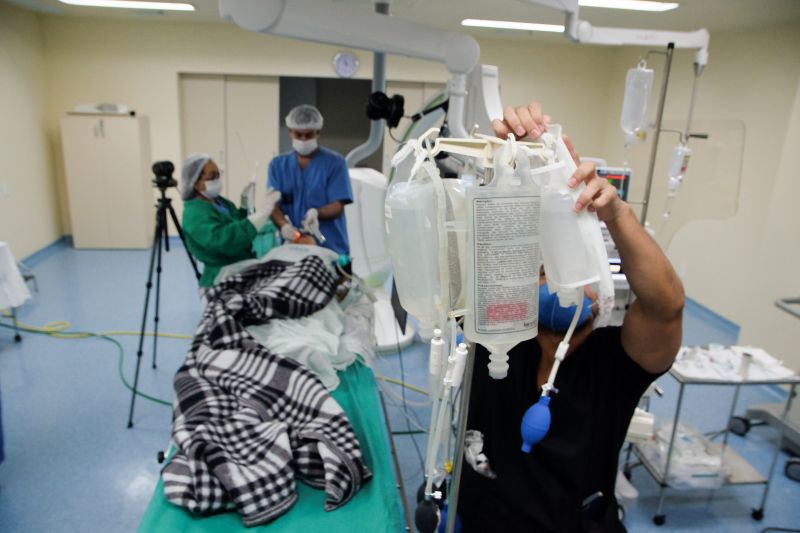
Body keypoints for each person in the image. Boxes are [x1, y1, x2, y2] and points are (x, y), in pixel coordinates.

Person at [456, 102, 685, 532]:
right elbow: (468, 254)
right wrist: (517, 167)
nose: (564, 285)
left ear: (603, 289)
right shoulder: (498, 336)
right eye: (547, 272)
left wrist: (615, 213)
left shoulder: (615, 362)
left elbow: (665, 306)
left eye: (580, 274)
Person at [180, 154, 280, 288]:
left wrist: (245, 206)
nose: (217, 179)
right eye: (212, 176)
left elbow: (236, 223)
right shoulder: (194, 213)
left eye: (218, 174)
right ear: (196, 183)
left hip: (241, 266)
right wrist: (261, 216)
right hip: (221, 277)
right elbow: (223, 241)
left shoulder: (219, 202)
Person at [268, 104, 354, 258]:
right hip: (293, 246)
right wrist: (283, 225)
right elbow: (273, 205)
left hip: (331, 246)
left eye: (308, 135)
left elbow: (337, 206)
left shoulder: (335, 163)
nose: (303, 139)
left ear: (318, 133)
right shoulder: (278, 165)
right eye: (298, 134)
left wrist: (317, 213)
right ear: (290, 132)